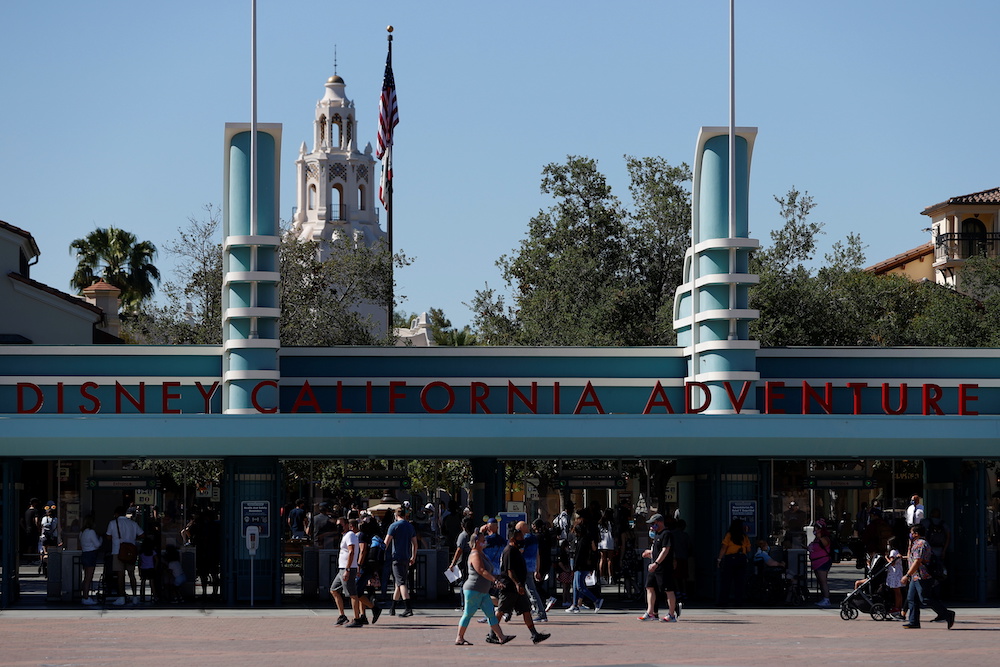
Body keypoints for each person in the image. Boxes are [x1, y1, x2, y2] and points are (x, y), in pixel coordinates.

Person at [455, 527, 514, 646]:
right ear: (477, 542)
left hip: (483, 591)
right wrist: (495, 580)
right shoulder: (475, 554)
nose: (485, 542)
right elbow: (481, 570)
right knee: (468, 614)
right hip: (473, 590)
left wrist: (493, 581)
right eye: (483, 540)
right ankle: (459, 638)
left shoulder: (482, 553)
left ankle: (501, 637)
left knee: (491, 614)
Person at [492, 525, 550, 644]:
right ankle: (492, 633)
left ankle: (534, 634)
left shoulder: (515, 550)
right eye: (520, 537)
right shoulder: (509, 551)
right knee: (501, 610)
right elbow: (509, 571)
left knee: (526, 610)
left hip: (518, 587)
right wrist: (517, 584)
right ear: (513, 539)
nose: (522, 539)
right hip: (509, 587)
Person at [901, 523, 955, 629]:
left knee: (925, 599)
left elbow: (917, 561)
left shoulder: (920, 544)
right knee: (912, 598)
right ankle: (913, 621)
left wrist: (907, 575)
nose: (910, 534)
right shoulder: (915, 543)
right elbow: (910, 558)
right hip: (915, 576)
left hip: (922, 576)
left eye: (911, 532)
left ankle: (947, 613)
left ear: (916, 534)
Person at [638, 513, 677, 622]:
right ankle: (651, 612)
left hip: (663, 567)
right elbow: (657, 551)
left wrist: (656, 563)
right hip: (654, 567)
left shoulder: (666, 534)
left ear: (660, 522)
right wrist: (650, 553)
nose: (651, 527)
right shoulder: (656, 535)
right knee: (649, 587)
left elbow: (665, 550)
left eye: (653, 524)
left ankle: (671, 614)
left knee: (668, 590)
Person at [106, 505, 144, 606]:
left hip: (117, 551)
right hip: (130, 552)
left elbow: (108, 537)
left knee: (120, 575)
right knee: (131, 574)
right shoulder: (132, 523)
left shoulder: (113, 523)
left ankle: (121, 597)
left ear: (116, 514)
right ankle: (135, 596)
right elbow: (142, 534)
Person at [384, 506, 418, 617]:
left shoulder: (393, 526)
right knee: (398, 583)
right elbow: (415, 543)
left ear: (396, 515)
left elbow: (386, 542)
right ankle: (392, 608)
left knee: (401, 583)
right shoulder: (410, 526)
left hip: (396, 557)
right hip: (406, 557)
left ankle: (408, 608)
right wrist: (413, 556)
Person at [330, 518, 364, 628]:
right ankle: (342, 616)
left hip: (347, 568)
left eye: (340, 524)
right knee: (334, 590)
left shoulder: (350, 535)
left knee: (352, 594)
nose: (338, 526)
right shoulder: (345, 536)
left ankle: (357, 618)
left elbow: (351, 551)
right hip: (342, 568)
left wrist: (348, 569)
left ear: (346, 525)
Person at [514, 520, 547, 623]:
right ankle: (529, 609)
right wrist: (537, 569)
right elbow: (537, 554)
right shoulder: (534, 538)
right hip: (531, 566)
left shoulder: (525, 539)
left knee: (530, 590)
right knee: (527, 590)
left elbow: (520, 551)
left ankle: (541, 613)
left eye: (518, 529)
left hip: (524, 567)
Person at [567, 523, 602, 613]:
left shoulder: (581, 541)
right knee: (575, 586)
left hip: (580, 566)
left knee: (579, 586)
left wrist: (574, 567)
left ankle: (596, 600)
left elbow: (579, 555)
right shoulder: (587, 539)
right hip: (584, 565)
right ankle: (575, 605)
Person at [716, 518, 751, 606]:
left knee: (726, 581)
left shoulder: (729, 535)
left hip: (730, 559)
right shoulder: (744, 536)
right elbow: (748, 549)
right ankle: (738, 601)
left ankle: (723, 601)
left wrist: (719, 559)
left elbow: (724, 548)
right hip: (741, 559)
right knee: (739, 582)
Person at [808, 518, 834, 608]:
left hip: (823, 562)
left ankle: (827, 599)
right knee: (820, 581)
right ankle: (824, 598)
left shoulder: (824, 538)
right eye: (815, 528)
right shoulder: (815, 539)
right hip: (816, 562)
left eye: (817, 528)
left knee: (823, 581)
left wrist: (820, 536)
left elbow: (825, 544)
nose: (815, 530)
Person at [80, 514, 103, 605]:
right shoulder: (91, 532)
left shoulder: (82, 532)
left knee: (86, 577)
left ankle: (85, 595)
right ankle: (86, 597)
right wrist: (100, 539)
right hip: (91, 554)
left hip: (84, 553)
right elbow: (97, 544)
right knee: (89, 577)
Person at [885, 537, 906, 620]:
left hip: (894, 574)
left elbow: (892, 563)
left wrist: (886, 557)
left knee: (897, 592)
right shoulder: (897, 551)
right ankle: (899, 607)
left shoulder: (892, 552)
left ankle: (897, 607)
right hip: (898, 573)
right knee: (898, 592)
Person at [39, 502, 62, 575]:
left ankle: (44, 565)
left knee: (45, 553)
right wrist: (60, 539)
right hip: (53, 538)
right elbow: (59, 529)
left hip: (44, 538)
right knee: (52, 553)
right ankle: (51, 568)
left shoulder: (44, 519)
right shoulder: (56, 519)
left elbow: (41, 527)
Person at [137, 535, 159, 602]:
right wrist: (155, 567)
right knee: (152, 583)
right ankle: (155, 596)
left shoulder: (141, 552)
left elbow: (139, 562)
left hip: (143, 568)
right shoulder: (152, 552)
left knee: (142, 583)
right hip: (151, 568)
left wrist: (139, 570)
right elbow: (157, 560)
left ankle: (142, 596)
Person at [597, 508, 616, 585]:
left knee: (602, 559)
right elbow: (614, 533)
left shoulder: (600, 523)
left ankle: (601, 577)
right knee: (610, 560)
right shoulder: (611, 523)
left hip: (602, 542)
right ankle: (610, 576)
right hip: (610, 542)